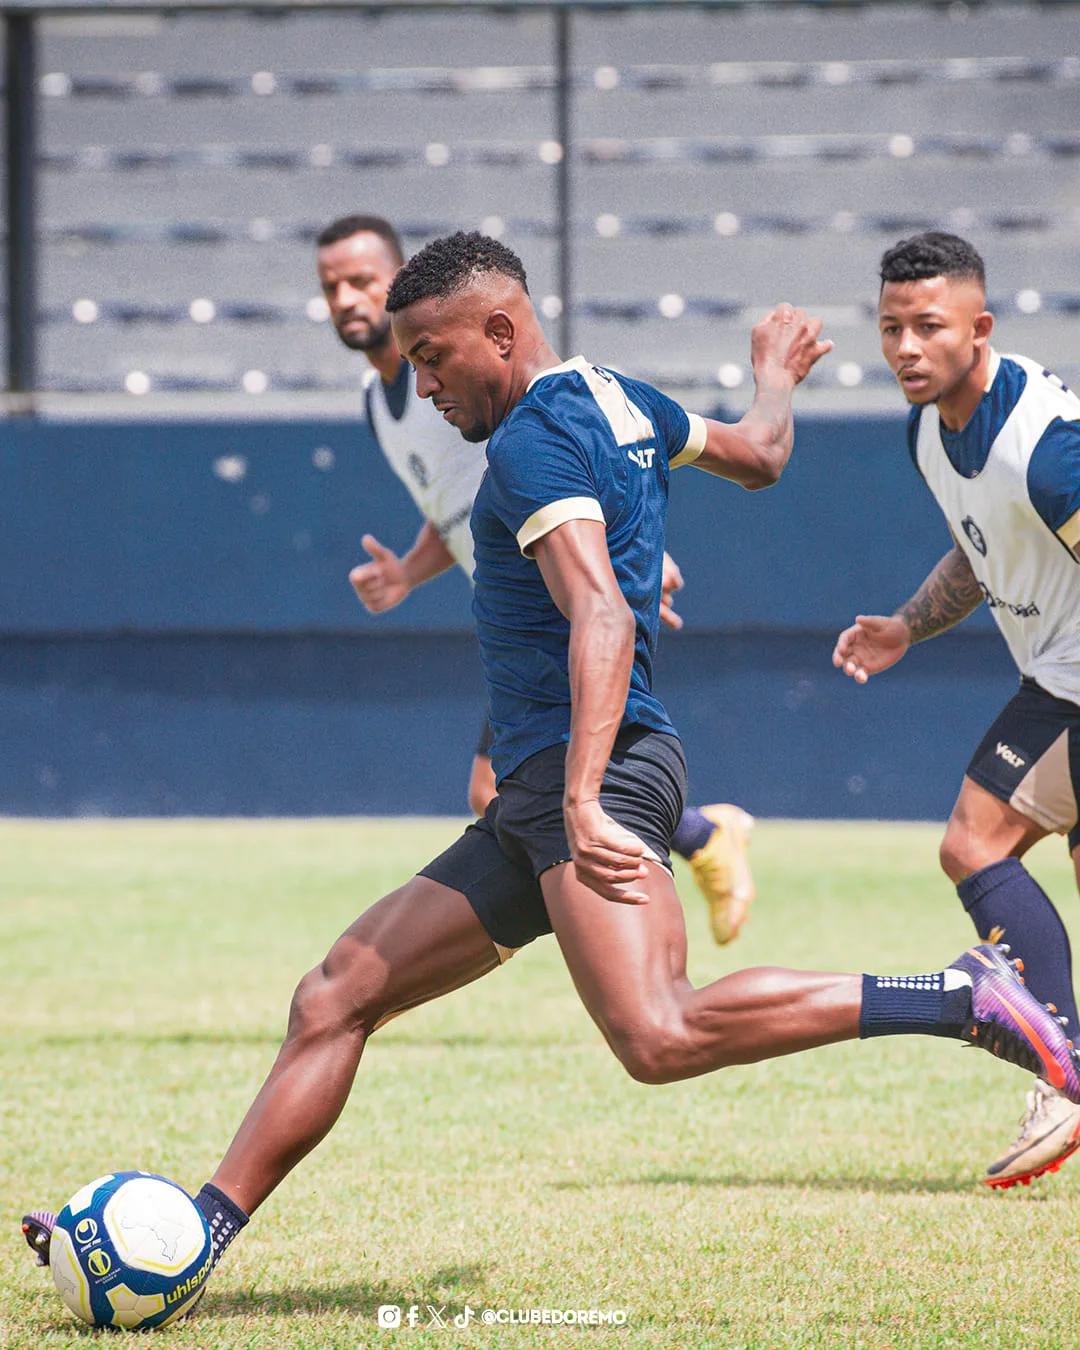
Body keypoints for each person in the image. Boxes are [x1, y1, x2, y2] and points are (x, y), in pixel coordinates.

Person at [24, 233, 1080, 1284]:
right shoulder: (616, 396)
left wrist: (581, 796)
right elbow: (759, 456)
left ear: (499, 329)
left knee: (658, 1032)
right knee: (333, 994)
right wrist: (771, 379)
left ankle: (960, 996)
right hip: (544, 789)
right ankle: (187, 1241)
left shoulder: (530, 442)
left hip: (599, 771)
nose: (425, 383)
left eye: (434, 357)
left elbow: (604, 617)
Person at [316, 212, 755, 944]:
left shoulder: (486, 390)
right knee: (503, 799)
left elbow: (554, 475)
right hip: (519, 603)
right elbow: (457, 510)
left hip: (555, 607)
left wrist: (629, 548)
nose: (346, 299)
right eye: (331, 286)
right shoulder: (387, 402)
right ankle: (683, 855)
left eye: (363, 280)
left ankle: (699, 847)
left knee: (656, 1028)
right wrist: (406, 575)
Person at [833, 231, 1080, 1190]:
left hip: (1070, 685)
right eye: (891, 326)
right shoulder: (929, 428)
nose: (905, 346)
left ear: (979, 328)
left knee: (972, 845)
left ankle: (1063, 1079)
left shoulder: (1050, 450)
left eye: (928, 326)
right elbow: (985, 548)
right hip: (1054, 677)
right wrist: (905, 625)